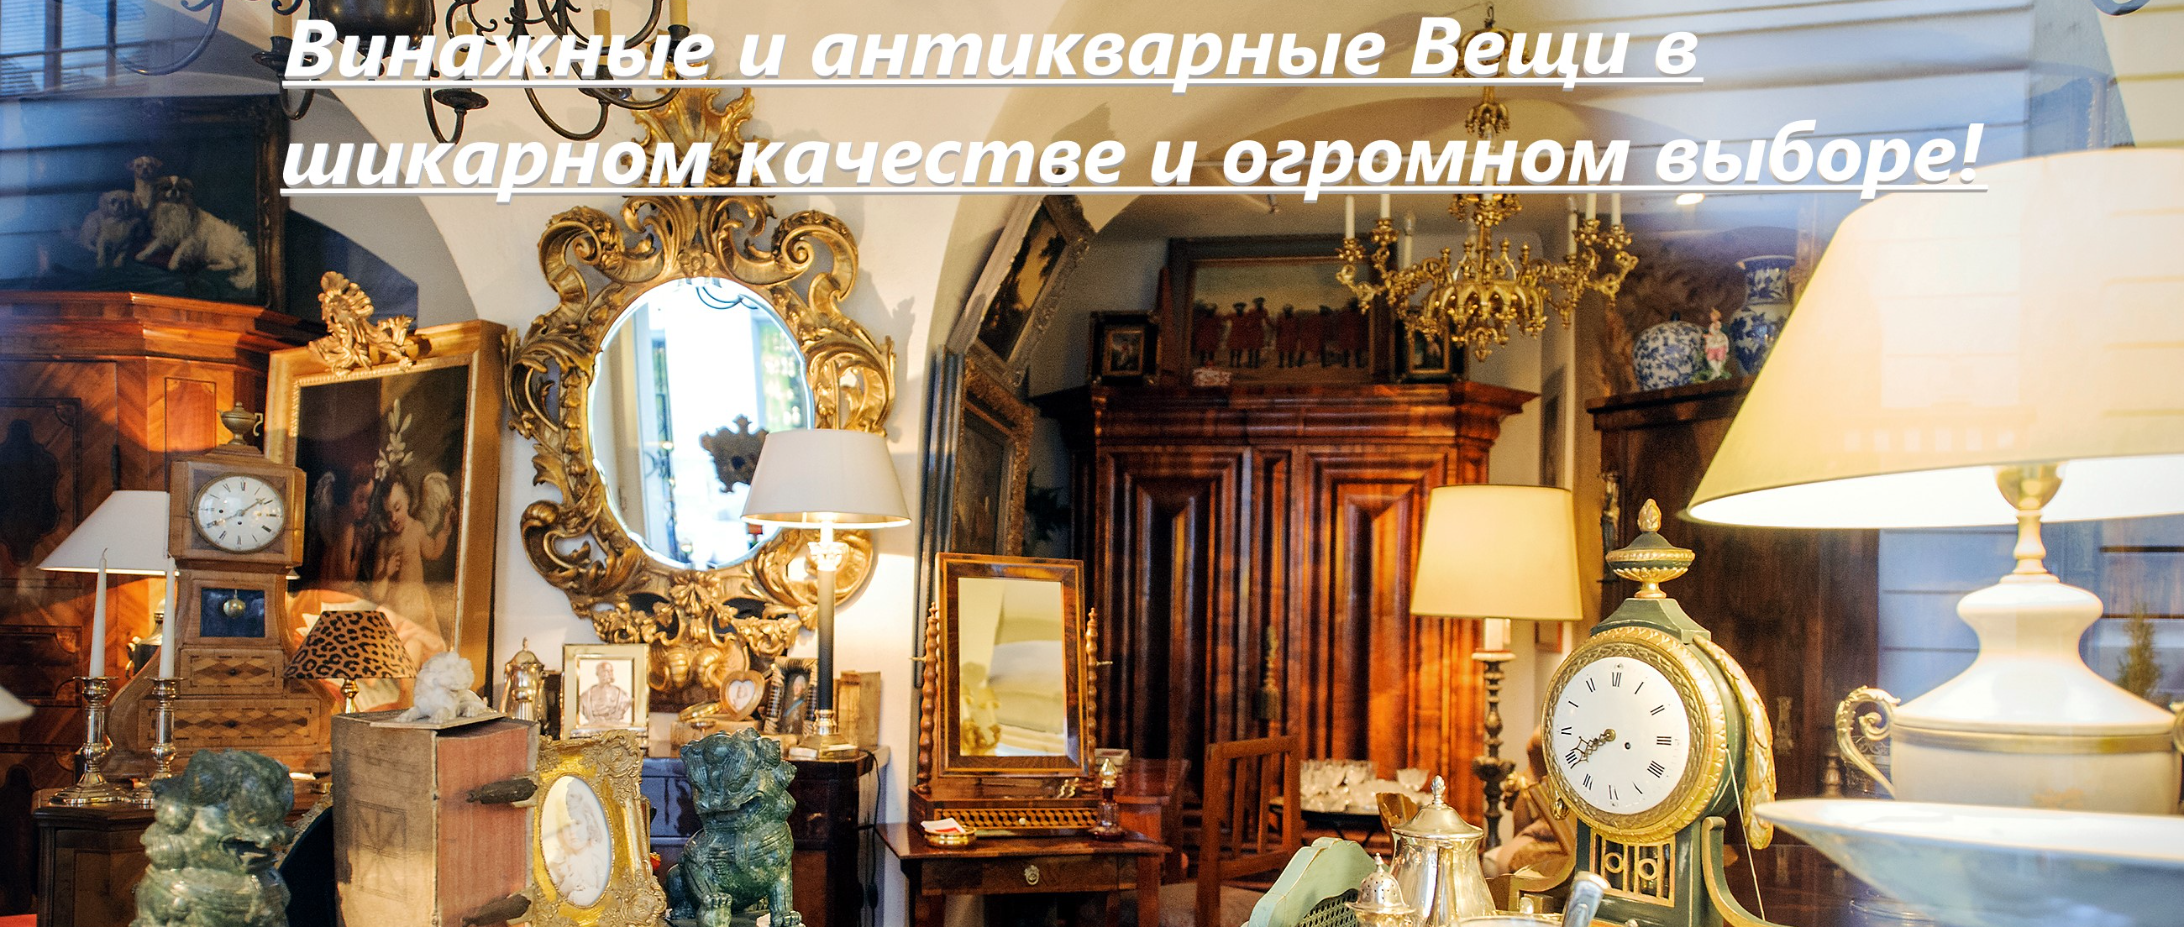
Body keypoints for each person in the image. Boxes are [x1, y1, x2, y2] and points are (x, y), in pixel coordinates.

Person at [369, 473, 455, 643]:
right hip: (394, 607)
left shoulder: (417, 529)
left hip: (415, 605)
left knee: (414, 645)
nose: (393, 518)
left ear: (407, 501)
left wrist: (445, 531)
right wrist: (386, 572)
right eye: (388, 515)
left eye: (397, 509)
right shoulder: (384, 544)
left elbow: (433, 552)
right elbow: (376, 593)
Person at [580, 660, 633, 727]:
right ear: (597, 673)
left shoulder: (623, 696)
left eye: (608, 671)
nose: (605, 674)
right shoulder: (585, 697)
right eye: (602, 671)